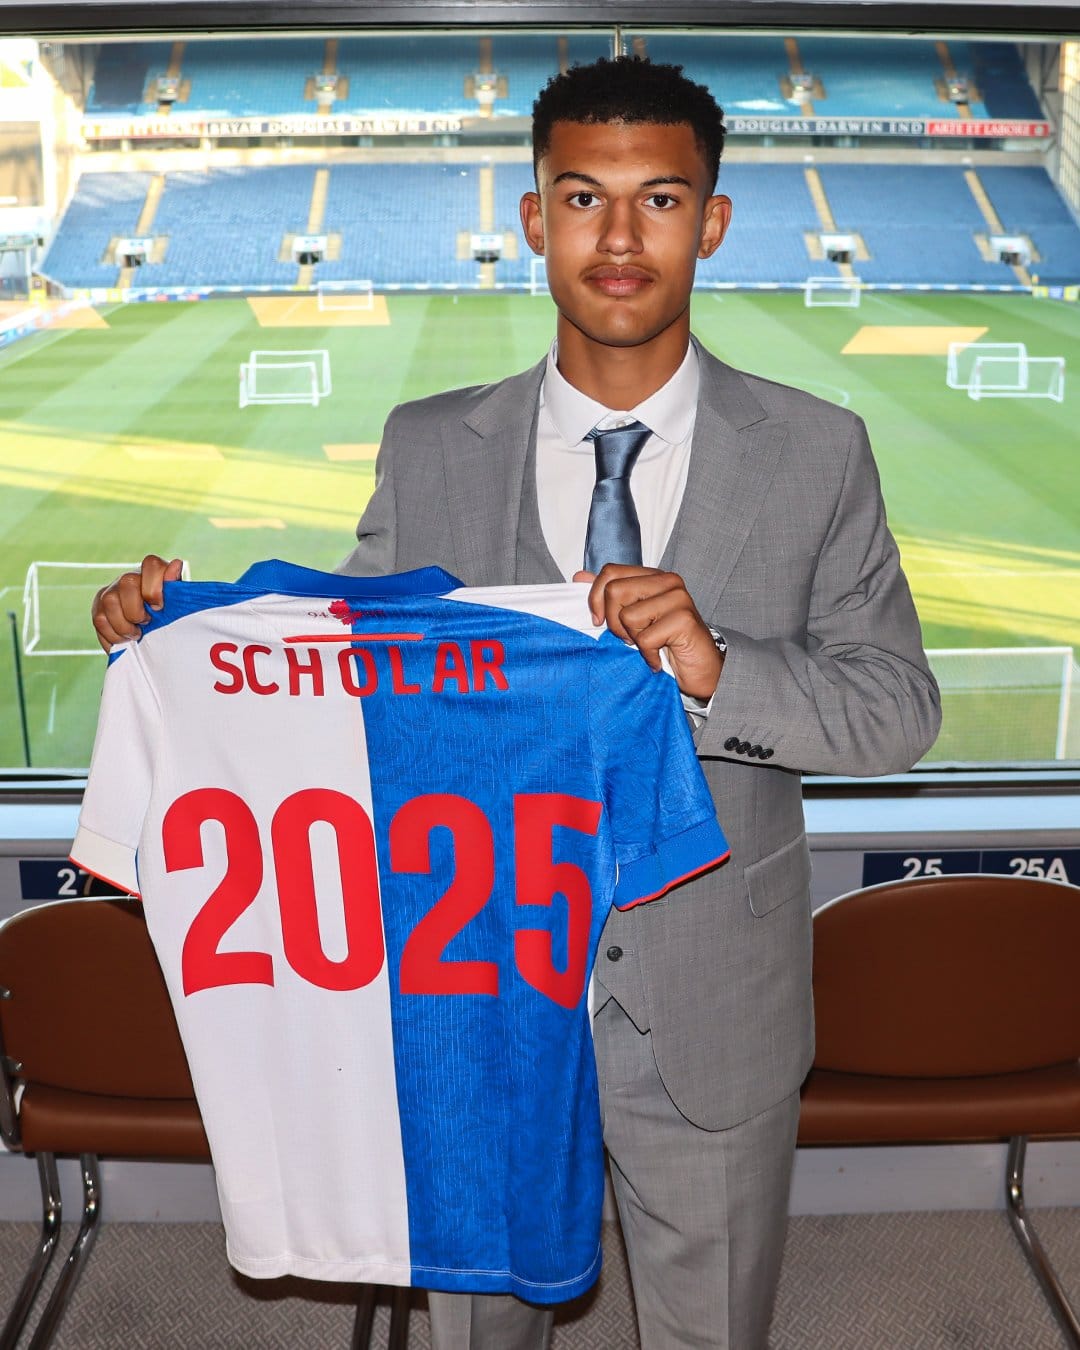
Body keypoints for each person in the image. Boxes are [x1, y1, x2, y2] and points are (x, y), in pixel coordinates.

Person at [92, 56, 940, 1350]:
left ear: (712, 222)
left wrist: (720, 668)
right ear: (535, 219)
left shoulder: (820, 450)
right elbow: (351, 668)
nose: (620, 238)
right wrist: (184, 629)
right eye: (584, 198)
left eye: (660, 201)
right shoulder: (431, 442)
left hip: (710, 995)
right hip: (468, 989)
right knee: (481, 1331)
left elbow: (898, 710)